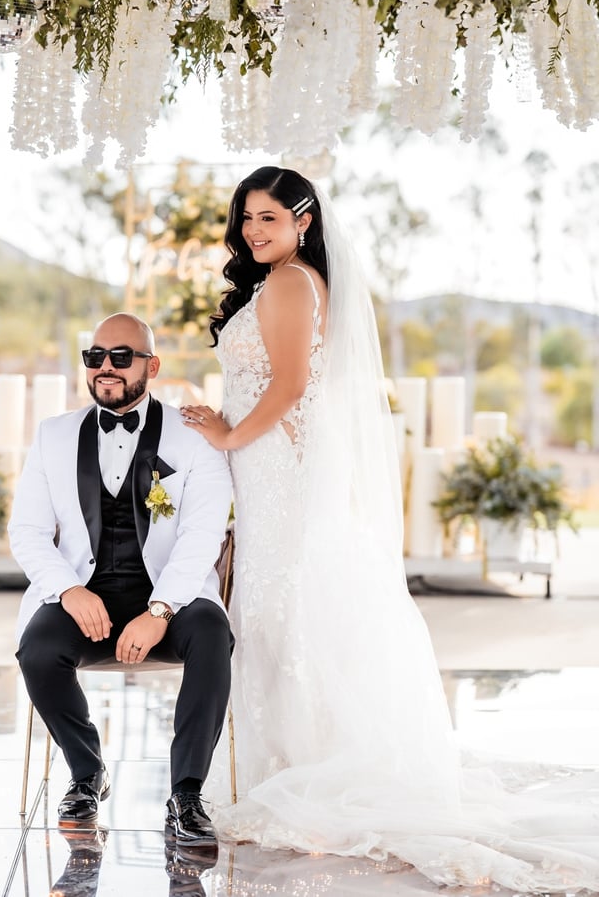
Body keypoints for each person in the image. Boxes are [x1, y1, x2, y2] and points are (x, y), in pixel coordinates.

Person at [182, 166, 599, 891]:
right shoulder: (293, 281)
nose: (253, 231)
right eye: (247, 217)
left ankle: (301, 769)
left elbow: (287, 387)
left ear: (304, 222)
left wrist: (225, 436)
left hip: (276, 463)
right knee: (278, 608)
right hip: (273, 467)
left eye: (269, 218)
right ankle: (288, 760)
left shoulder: (287, 283)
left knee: (281, 608)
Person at [9, 312, 234, 852]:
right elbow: (27, 530)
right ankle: (86, 774)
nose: (105, 367)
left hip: (170, 596)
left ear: (151, 365)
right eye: (95, 357)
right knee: (37, 649)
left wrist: (160, 612)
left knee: (212, 635)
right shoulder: (53, 435)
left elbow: (205, 534)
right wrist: (68, 590)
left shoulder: (195, 434)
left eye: (121, 356)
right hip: (85, 592)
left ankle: (186, 793)